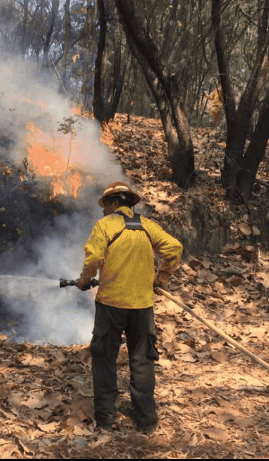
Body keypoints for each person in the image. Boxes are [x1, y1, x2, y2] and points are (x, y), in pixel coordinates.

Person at [76, 181, 182, 434]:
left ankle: (105, 419)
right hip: (142, 307)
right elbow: (175, 248)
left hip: (110, 305)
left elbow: (94, 259)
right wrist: (161, 278)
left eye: (105, 206)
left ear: (114, 203)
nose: (104, 211)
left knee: (104, 359)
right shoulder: (147, 226)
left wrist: (84, 280)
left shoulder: (105, 225)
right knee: (142, 361)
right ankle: (147, 421)